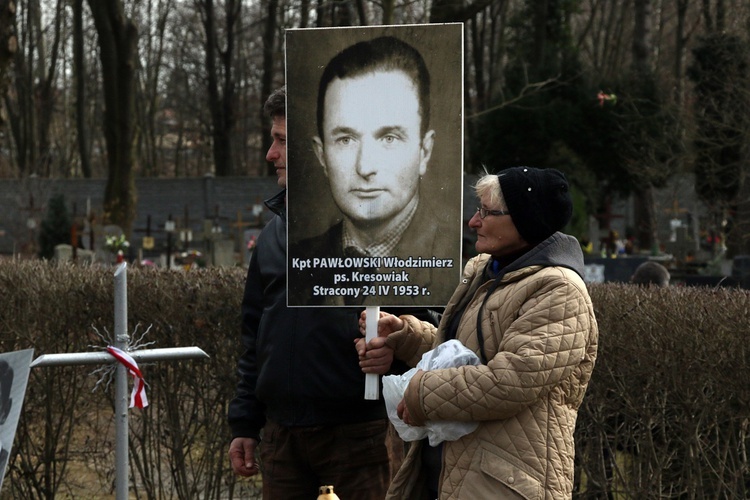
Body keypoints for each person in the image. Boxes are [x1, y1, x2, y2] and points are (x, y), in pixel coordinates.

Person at [227, 87, 438, 500]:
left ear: (316, 149)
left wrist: (392, 349)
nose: (271, 154)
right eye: (274, 139)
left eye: (283, 141)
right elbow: (255, 334)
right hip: (282, 438)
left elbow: (434, 331)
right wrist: (245, 424)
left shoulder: (391, 237)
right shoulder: (275, 235)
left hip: (358, 437)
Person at [356, 166, 599, 499]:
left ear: (525, 220)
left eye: (487, 212)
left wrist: (421, 394)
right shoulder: (487, 271)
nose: (473, 221)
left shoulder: (558, 290)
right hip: (455, 471)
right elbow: (467, 352)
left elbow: (511, 380)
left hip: (505, 482)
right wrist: (406, 336)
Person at [288, 35, 459, 306]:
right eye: (345, 139)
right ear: (321, 155)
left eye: (389, 138)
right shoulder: (291, 262)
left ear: (424, 151)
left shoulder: (464, 261)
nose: (365, 167)